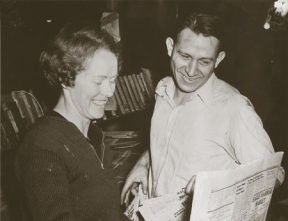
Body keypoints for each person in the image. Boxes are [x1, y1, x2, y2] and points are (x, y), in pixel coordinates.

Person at [121, 12, 285, 211]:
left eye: (204, 61)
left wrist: (216, 188)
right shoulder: (163, 88)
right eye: (185, 56)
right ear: (170, 47)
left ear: (218, 60)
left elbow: (274, 175)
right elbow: (169, 137)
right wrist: (144, 163)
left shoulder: (234, 108)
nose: (191, 71)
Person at [15, 22, 129, 221]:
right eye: (98, 81)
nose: (110, 91)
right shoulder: (43, 146)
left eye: (113, 80)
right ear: (65, 78)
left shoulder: (95, 136)